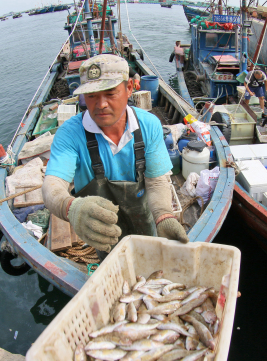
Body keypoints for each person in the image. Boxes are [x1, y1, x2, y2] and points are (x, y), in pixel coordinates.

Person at [42, 54, 188, 256]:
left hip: (145, 221)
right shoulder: (69, 135)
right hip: (102, 234)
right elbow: (52, 186)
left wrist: (164, 216)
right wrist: (72, 208)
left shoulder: (149, 125)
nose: (100, 104)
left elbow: (156, 182)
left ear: (129, 88)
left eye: (110, 93)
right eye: (92, 95)